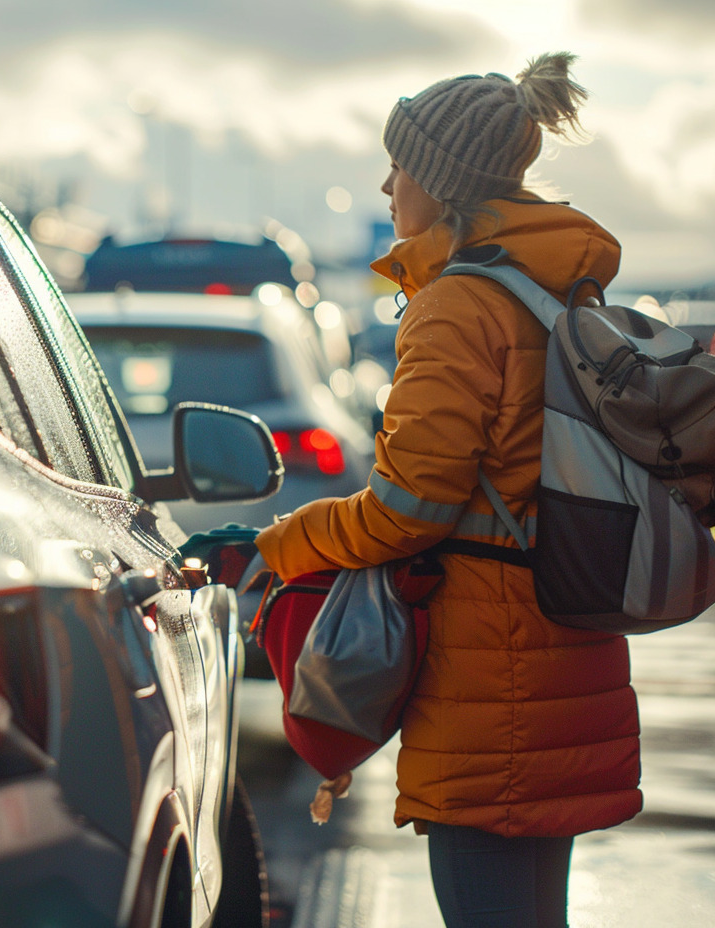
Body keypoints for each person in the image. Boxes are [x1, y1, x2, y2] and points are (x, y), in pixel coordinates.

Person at [254, 53, 641, 928]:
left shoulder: (459, 306)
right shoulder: (558, 287)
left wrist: (283, 542)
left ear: (441, 181)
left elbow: (410, 507)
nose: (387, 184)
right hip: (564, 646)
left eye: (401, 165)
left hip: (490, 678)